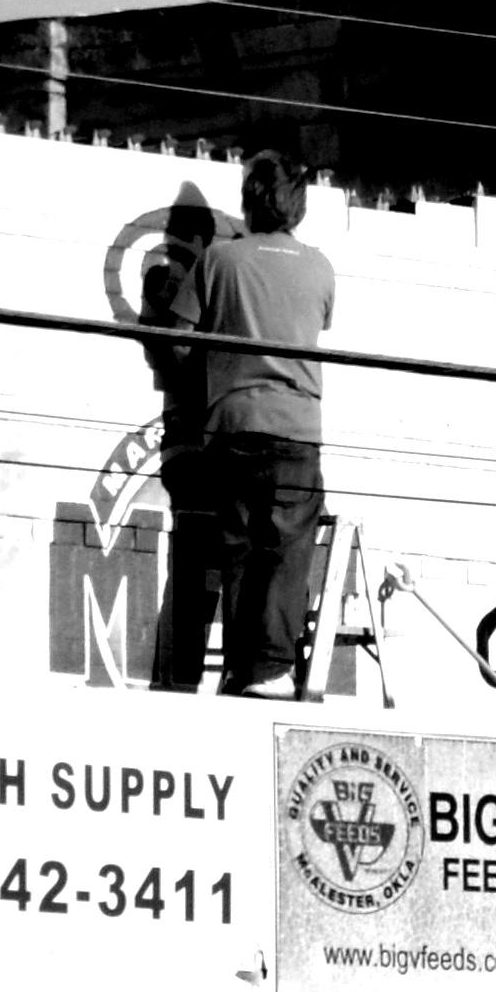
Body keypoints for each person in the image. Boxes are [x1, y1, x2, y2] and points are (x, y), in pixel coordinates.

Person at [187, 152, 338, 697]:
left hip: (231, 424)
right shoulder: (319, 266)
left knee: (238, 543)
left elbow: (181, 337)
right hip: (297, 426)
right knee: (287, 543)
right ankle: (271, 668)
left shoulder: (219, 261)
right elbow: (318, 321)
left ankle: (239, 665)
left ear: (250, 200)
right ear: (298, 207)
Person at [132, 188, 226, 690]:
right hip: (195, 444)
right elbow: (170, 350)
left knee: (202, 570)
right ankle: (180, 679)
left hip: (198, 444)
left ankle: (182, 678)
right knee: (195, 570)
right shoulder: (169, 281)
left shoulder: (187, 281)